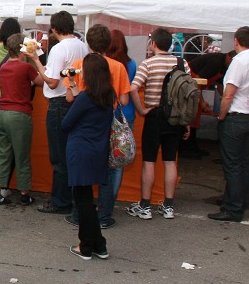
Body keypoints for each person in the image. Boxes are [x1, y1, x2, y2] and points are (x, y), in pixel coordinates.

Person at [62, 25, 130, 229]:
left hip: (82, 124)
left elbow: (69, 98)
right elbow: (124, 100)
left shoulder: (78, 65)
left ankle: (78, 215)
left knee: (81, 174)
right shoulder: (118, 67)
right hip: (106, 122)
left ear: (88, 43)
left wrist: (76, 87)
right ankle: (105, 214)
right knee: (109, 171)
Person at [26, 11, 89, 214]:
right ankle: (72, 198)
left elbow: (52, 82)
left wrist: (36, 59)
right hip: (77, 100)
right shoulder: (82, 45)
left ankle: (61, 201)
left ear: (54, 29)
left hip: (60, 103)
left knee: (59, 155)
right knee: (72, 153)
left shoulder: (60, 49)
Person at [208, 26, 249, 223]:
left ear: (236, 41)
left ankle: (233, 208)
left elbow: (229, 93)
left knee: (233, 164)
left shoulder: (239, 61)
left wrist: (221, 116)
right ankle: (235, 202)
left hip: (237, 115)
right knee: (243, 163)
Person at [127, 28, 190, 220]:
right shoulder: (182, 63)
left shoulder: (148, 64)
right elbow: (188, 92)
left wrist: (141, 110)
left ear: (153, 43)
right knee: (170, 160)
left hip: (154, 116)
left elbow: (133, 88)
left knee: (149, 161)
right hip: (176, 117)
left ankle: (145, 206)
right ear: (170, 44)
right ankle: (168, 206)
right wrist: (186, 121)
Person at [62, 54, 114, 260]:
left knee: (82, 200)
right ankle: (98, 244)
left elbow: (66, 123)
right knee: (86, 199)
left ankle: (87, 245)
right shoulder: (108, 95)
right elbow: (85, 101)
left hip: (80, 150)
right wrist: (74, 85)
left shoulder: (86, 98)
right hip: (98, 150)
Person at [0, 33, 44, 208]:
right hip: (19, 114)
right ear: (23, 48)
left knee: (2, 154)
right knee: (21, 155)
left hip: (2, 113)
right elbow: (41, 81)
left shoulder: (5, 67)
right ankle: (24, 193)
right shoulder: (25, 68)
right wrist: (36, 60)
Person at [105, 29, 138, 207]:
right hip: (126, 116)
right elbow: (128, 94)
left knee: (106, 160)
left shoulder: (104, 64)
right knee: (119, 161)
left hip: (107, 116)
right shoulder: (131, 64)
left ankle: (105, 200)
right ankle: (111, 200)